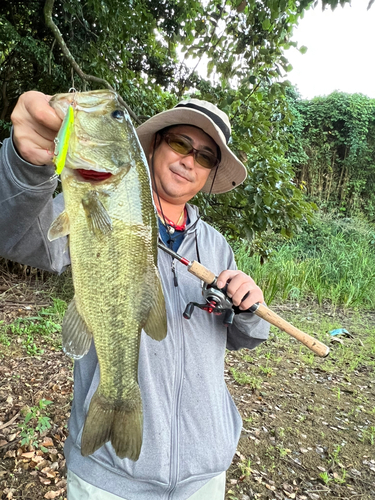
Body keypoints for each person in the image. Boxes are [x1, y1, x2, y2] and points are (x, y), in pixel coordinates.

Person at [0, 91, 270, 500]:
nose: (188, 160)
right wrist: (24, 165)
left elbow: (242, 336)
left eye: (205, 156)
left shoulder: (217, 247)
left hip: (204, 474)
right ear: (153, 146)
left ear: (211, 172)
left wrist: (249, 309)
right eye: (180, 143)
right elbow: (14, 235)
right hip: (110, 475)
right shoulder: (89, 199)